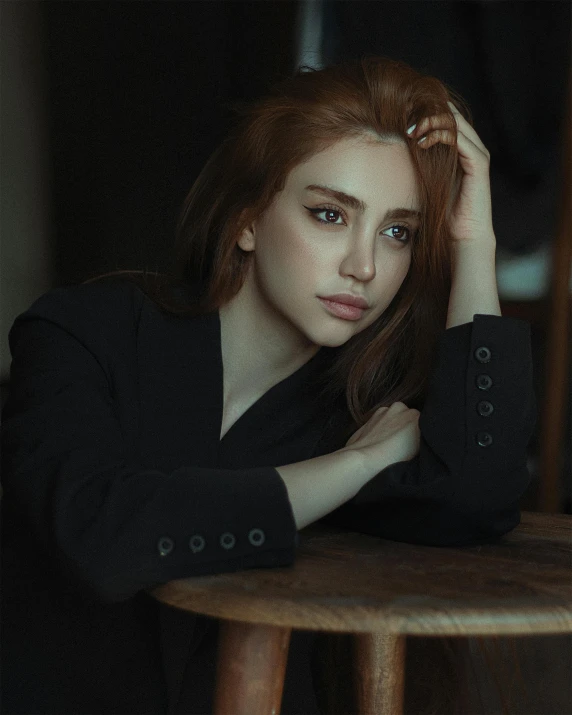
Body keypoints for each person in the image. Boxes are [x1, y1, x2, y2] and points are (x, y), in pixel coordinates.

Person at [1, 55, 536, 714]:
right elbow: (103, 530)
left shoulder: (357, 403)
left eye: (398, 232)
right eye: (330, 215)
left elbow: (478, 497)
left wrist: (474, 242)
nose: (364, 265)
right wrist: (354, 464)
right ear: (250, 219)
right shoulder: (84, 333)